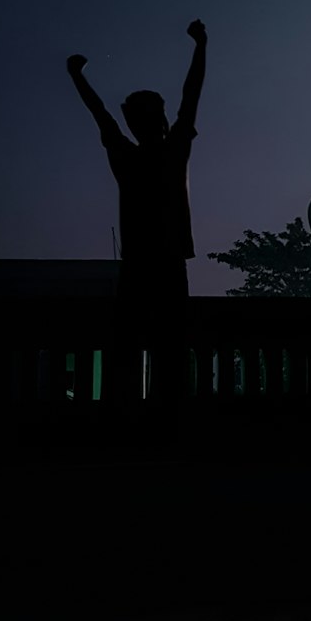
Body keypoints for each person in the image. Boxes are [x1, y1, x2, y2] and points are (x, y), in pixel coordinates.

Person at [66, 20, 207, 403]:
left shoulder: (127, 156)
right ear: (160, 120)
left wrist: (77, 77)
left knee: (130, 347)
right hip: (167, 260)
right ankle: (163, 420)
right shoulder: (171, 149)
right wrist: (200, 46)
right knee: (168, 349)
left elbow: (100, 113)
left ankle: (131, 419)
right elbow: (191, 94)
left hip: (141, 263)